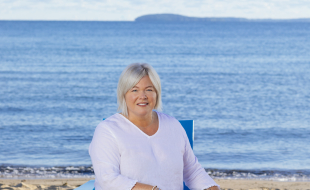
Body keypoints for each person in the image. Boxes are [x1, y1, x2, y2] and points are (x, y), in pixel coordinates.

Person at [89, 63, 220, 190]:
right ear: (124, 94)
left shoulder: (173, 125)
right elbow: (107, 179)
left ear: (157, 94)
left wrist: (211, 187)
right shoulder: (108, 130)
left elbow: (192, 171)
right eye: (135, 90)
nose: (142, 96)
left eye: (149, 90)